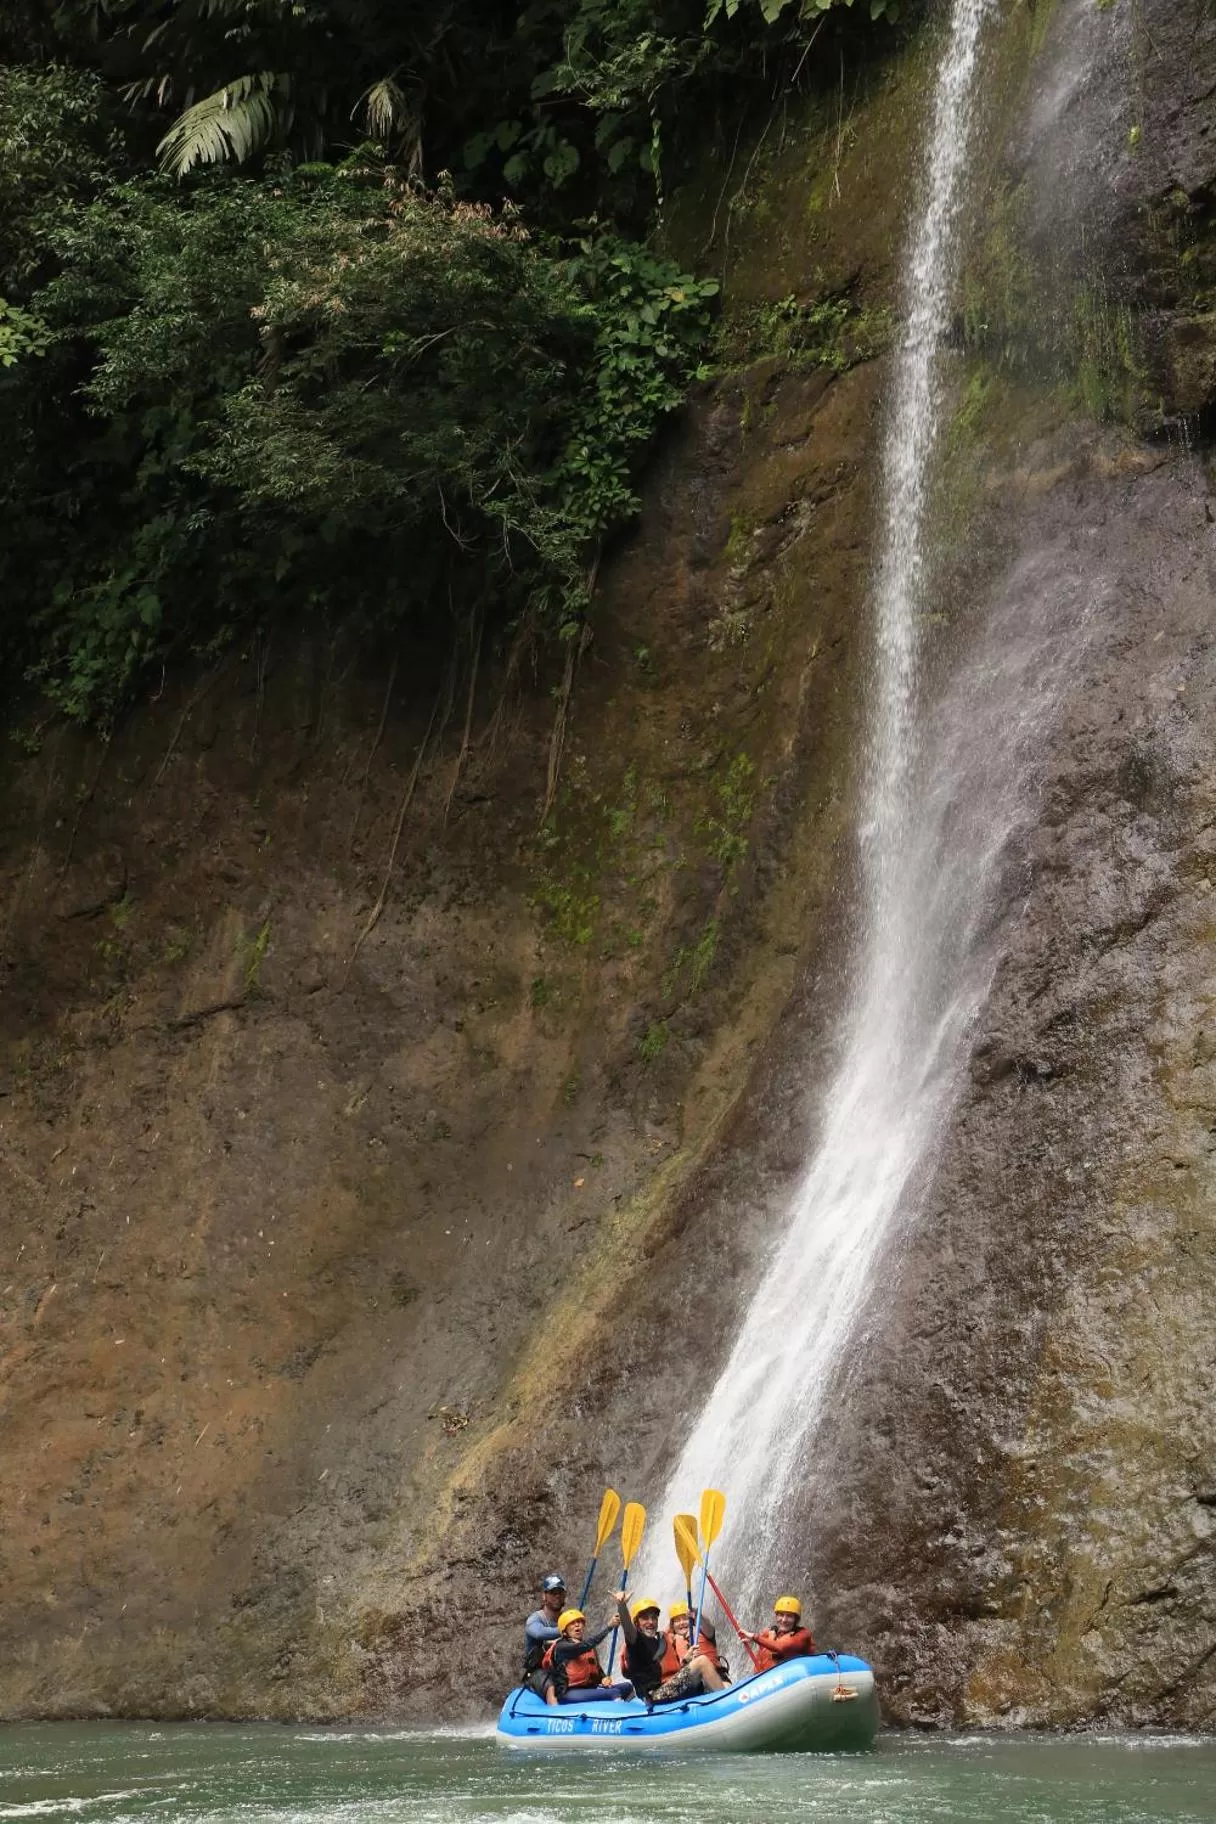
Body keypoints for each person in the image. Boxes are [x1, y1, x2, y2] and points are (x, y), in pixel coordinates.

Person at [542, 1607, 634, 1703]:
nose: (577, 1625)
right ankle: (620, 1715)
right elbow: (584, 1646)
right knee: (614, 1693)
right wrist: (609, 1627)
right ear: (564, 1631)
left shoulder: (589, 1647)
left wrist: (603, 1678)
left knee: (627, 1687)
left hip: (589, 1688)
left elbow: (597, 1670)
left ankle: (636, 1712)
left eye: (579, 1622)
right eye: (572, 1623)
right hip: (568, 1692)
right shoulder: (562, 1647)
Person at [650, 1612, 727, 1705]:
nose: (682, 1623)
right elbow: (678, 1674)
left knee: (727, 1687)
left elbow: (707, 1625)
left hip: (717, 1675)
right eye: (677, 1621)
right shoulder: (670, 1643)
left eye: (685, 1619)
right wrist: (686, 1659)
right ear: (672, 1626)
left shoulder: (703, 1632)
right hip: (694, 1682)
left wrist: (698, 1614)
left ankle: (727, 1701)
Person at [522, 1573, 567, 1701]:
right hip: (538, 1672)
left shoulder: (568, 1618)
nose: (557, 1596)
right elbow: (539, 1633)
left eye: (560, 1592)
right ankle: (555, 1713)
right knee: (550, 1686)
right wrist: (565, 1629)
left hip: (562, 1670)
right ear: (544, 1596)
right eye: (553, 1592)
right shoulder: (535, 1619)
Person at [614, 1592, 667, 1701]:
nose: (651, 1622)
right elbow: (628, 1628)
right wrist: (621, 1605)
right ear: (636, 1623)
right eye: (645, 1618)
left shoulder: (657, 1641)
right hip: (652, 1695)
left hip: (662, 1688)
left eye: (654, 1618)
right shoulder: (636, 1641)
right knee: (701, 1663)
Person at [741, 1595, 816, 1670]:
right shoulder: (770, 1633)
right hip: (769, 1677)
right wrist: (752, 1640)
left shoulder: (802, 1635)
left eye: (789, 1616)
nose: (784, 1620)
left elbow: (781, 1647)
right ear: (776, 1617)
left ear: (796, 1620)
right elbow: (764, 1640)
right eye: (781, 1615)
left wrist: (754, 1637)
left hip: (799, 1675)